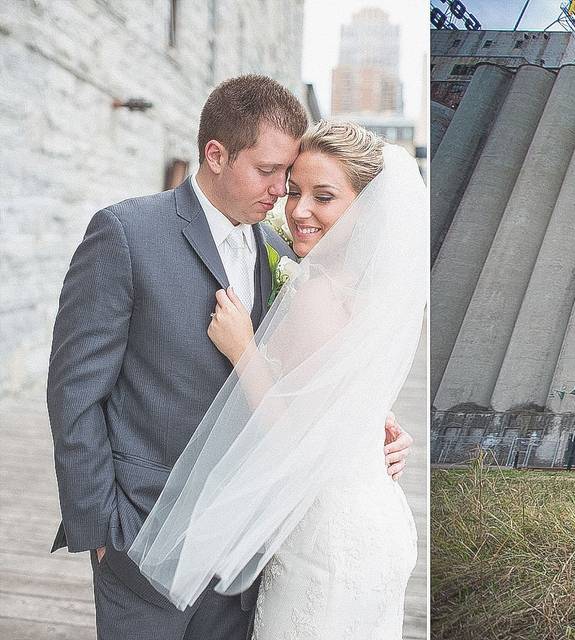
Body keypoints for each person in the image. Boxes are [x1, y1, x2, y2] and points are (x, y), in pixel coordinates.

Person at [47, 75, 412, 640]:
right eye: (272, 176)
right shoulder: (127, 233)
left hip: (250, 550)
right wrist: (99, 526)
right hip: (143, 537)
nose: (283, 197)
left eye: (288, 180)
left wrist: (368, 433)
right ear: (215, 155)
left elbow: (315, 378)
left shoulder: (283, 254)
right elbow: (75, 390)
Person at [128, 121, 426, 639]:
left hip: (325, 530)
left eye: (324, 197)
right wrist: (378, 422)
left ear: (366, 205)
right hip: (376, 516)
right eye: (294, 191)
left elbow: (293, 431)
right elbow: (343, 392)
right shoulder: (374, 292)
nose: (299, 210)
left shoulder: (320, 291)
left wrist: (244, 350)